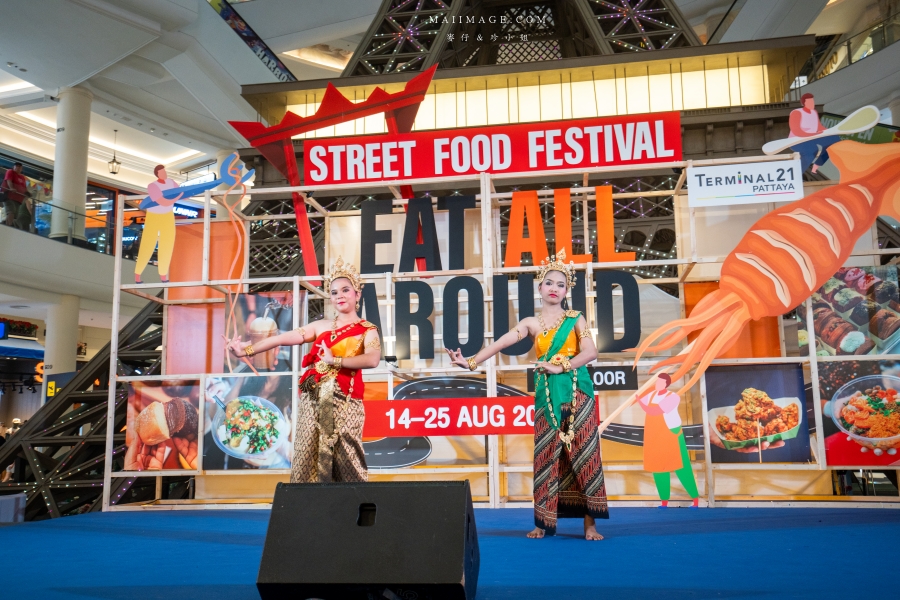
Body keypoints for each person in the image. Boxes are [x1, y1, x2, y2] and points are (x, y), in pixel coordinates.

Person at [446, 250, 608, 540]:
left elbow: (591, 352)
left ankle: (590, 524)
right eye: (550, 283)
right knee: (546, 455)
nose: (555, 289)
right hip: (547, 396)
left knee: (583, 454)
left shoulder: (576, 319)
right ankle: (542, 521)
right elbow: (502, 342)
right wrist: (470, 361)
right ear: (540, 288)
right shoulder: (532, 323)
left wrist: (563, 366)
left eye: (561, 284)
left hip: (576, 392)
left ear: (567, 290)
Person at [226, 257, 381, 482]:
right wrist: (246, 349)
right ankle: (305, 508)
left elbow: (373, 359)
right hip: (313, 399)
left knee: (347, 455)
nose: (340, 296)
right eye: (335, 292)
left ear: (357, 293)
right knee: (306, 452)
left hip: (345, 402)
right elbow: (282, 338)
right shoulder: (320, 326)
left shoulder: (367, 330)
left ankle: (353, 506)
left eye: (346, 290)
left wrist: (335, 361)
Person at [636, 373, 700, 508]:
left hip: (672, 434)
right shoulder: (652, 395)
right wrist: (638, 397)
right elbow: (642, 399)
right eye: (657, 382)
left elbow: (654, 411)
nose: (657, 384)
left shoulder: (673, 397)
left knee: (681, 466)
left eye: (660, 382)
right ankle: (664, 502)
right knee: (658, 468)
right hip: (655, 436)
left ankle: (695, 500)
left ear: (666, 384)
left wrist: (639, 400)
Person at [135, 165, 182, 284]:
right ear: (157, 174)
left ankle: (163, 274)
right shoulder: (152, 186)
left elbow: (181, 193)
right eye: (162, 172)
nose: (164, 173)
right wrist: (178, 197)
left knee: (167, 243)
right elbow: (163, 201)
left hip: (167, 216)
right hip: (153, 216)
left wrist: (184, 194)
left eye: (165, 171)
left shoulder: (171, 182)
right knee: (148, 243)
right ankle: (138, 274)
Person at [789, 93, 841, 174]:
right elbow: (797, 131)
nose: (812, 104)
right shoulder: (796, 113)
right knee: (812, 150)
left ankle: (818, 163)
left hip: (812, 138)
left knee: (834, 139)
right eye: (809, 102)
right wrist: (814, 135)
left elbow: (819, 127)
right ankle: (797, 174)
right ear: (804, 103)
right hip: (797, 141)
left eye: (812, 101)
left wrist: (831, 131)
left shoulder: (814, 112)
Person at [2, 162, 30, 228]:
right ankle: (8, 227)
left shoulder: (22, 177)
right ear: (13, 167)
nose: (18, 168)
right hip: (9, 197)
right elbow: (9, 180)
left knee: (15, 216)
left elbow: (24, 187)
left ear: (21, 169)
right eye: (16, 166)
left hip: (18, 199)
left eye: (19, 167)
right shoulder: (10, 172)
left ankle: (5, 224)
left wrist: (27, 192)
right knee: (11, 212)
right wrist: (11, 188)